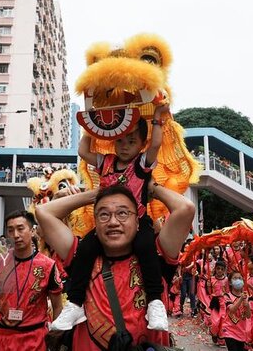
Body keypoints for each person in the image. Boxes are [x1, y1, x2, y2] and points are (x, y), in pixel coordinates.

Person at [36, 182, 195, 350]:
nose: (113, 222)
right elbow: (44, 212)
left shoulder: (156, 256)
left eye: (122, 213)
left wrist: (151, 188)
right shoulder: (81, 257)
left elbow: (186, 208)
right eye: (104, 215)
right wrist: (93, 195)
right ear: (95, 223)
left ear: (137, 221)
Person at [53, 105, 169, 331]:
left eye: (132, 141)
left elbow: (156, 144)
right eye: (121, 140)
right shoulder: (105, 162)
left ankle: (155, 302)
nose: (125, 146)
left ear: (141, 144)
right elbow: (83, 151)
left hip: (137, 222)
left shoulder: (141, 165)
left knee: (146, 247)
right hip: (106, 225)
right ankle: (75, 303)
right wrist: (91, 123)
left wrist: (157, 118)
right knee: (86, 249)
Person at [0, 211, 63, 351]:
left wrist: (56, 335)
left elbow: (57, 305)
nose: (15, 235)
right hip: (2, 339)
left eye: (20, 229)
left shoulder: (47, 266)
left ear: (32, 231)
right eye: (10, 230)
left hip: (35, 339)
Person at [220, 270, 250, 351]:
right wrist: (241, 299)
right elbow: (232, 309)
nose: (238, 280)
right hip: (229, 330)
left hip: (242, 331)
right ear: (230, 282)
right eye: (235, 278)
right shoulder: (227, 296)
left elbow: (248, 315)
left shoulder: (246, 296)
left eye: (240, 278)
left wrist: (247, 306)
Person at [207, 260, 228, 347]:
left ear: (224, 270)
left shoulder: (226, 280)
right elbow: (209, 292)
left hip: (223, 303)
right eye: (218, 268)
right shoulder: (211, 279)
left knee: (223, 321)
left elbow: (227, 291)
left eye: (222, 269)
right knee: (215, 321)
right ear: (215, 269)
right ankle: (214, 334)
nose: (219, 270)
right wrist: (208, 285)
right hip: (215, 303)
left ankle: (221, 340)